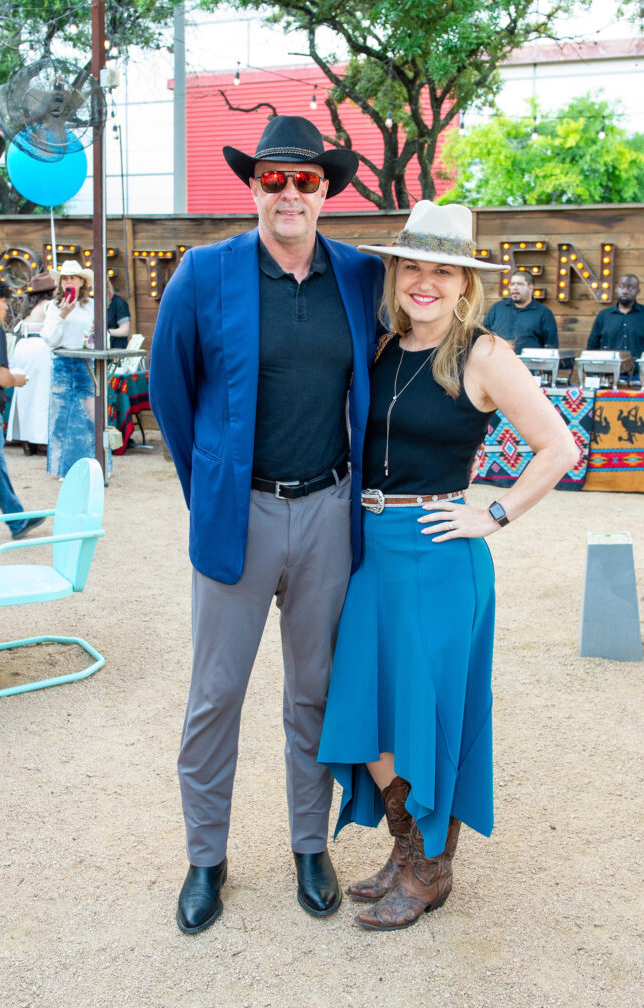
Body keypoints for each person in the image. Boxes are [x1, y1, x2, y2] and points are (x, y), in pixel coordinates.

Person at [149, 115, 385, 934]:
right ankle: (205, 859)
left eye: (306, 180)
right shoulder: (203, 272)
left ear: (326, 189)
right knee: (215, 695)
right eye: (273, 178)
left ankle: (308, 845)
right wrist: (211, 486)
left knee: (313, 693)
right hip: (239, 512)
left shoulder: (360, 277)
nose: (289, 193)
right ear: (253, 185)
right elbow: (172, 396)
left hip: (329, 509)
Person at [317, 201, 578, 932]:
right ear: (396, 273)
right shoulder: (378, 347)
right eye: (414, 267)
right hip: (373, 556)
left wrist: (490, 515)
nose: (425, 282)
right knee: (366, 715)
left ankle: (430, 870)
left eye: (443, 270)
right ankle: (409, 850)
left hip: (438, 558)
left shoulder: (485, 355)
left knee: (425, 718)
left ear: (466, 284)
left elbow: (560, 448)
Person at [0, 276, 46, 539]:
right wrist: (18, 379)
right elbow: (1, 377)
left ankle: (16, 521)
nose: (5, 308)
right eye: (2, 301)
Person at [40, 260, 95, 478]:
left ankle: (91, 465)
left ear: (81, 282)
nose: (67, 282)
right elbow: (49, 339)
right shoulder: (53, 306)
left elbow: (99, 333)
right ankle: (63, 468)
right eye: (64, 278)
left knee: (89, 414)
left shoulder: (90, 305)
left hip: (84, 360)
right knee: (62, 415)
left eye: (72, 278)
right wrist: (62, 316)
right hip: (62, 361)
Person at [6, 271, 54, 456]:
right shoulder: (48, 305)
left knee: (25, 394)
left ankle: (27, 440)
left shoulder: (28, 309)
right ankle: (41, 440)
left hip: (22, 347)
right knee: (41, 394)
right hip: (39, 347)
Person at [587, 273, 644, 360]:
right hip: (609, 371)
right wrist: (592, 372)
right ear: (616, 289)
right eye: (622, 287)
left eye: (631, 288)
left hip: (640, 372)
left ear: (638, 291)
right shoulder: (604, 315)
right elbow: (592, 346)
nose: (625, 291)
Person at [483, 269, 558, 354]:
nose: (514, 287)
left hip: (528, 366)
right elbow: (483, 336)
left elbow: (551, 348)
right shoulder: (497, 308)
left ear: (531, 287)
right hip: (497, 364)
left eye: (520, 284)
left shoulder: (544, 313)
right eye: (512, 284)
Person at [107, 279, 131, 348]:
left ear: (107, 287)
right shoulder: (92, 302)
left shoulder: (119, 303)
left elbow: (125, 331)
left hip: (116, 348)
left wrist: (106, 332)